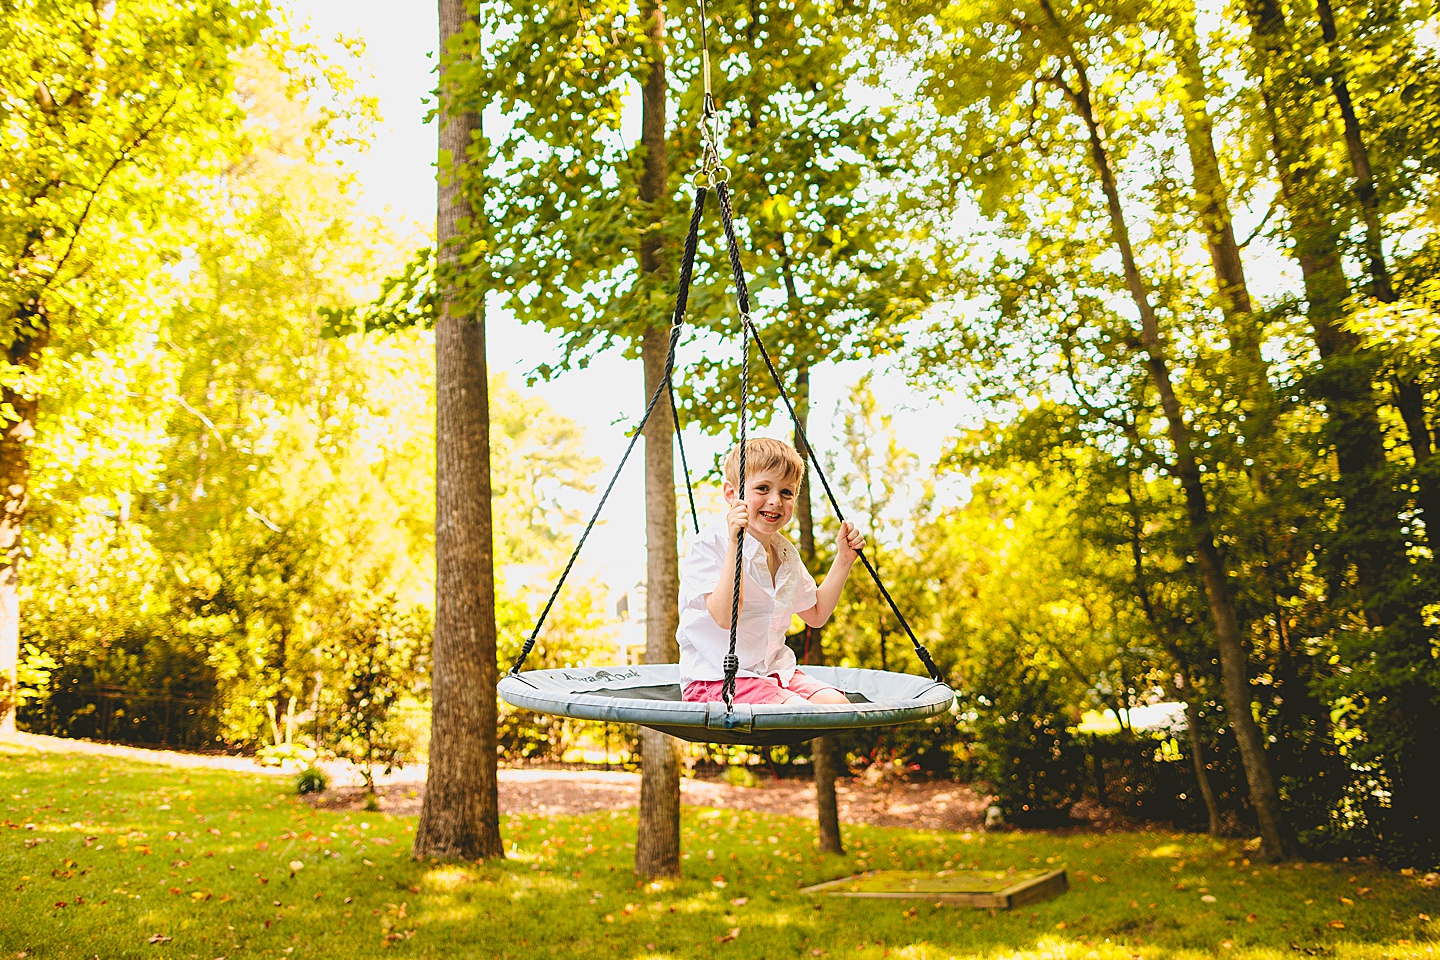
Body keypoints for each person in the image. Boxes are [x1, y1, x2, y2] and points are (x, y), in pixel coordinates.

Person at [678, 437, 866, 705]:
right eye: (763, 488)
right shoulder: (710, 545)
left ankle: (789, 696)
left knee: (838, 706)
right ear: (732, 494)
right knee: (797, 713)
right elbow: (724, 616)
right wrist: (736, 543)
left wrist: (844, 559)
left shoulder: (786, 555)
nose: (775, 501)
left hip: (774, 674)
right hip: (717, 680)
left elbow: (815, 614)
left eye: (786, 492)